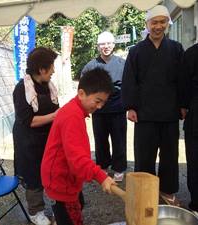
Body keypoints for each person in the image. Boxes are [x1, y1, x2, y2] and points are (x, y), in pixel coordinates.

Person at [121, 5, 185, 206]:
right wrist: (130, 107)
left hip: (169, 111)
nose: (158, 26)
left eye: (162, 22)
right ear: (147, 24)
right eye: (154, 22)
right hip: (144, 113)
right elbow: (129, 80)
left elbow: (182, 80)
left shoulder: (176, 48)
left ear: (168, 23)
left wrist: (183, 104)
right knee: (144, 154)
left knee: (169, 154)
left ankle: (167, 189)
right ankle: (144, 188)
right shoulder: (136, 51)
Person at [41, 67, 116, 225]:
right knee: (71, 217)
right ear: (81, 93)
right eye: (97, 101)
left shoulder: (74, 109)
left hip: (62, 177)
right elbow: (78, 160)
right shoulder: (72, 116)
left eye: (103, 102)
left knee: (77, 205)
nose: (100, 106)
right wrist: (101, 177)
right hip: (61, 182)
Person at [13, 47, 59, 225]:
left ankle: (57, 205)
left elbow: (56, 109)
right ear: (41, 69)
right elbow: (28, 121)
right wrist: (55, 116)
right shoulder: (22, 89)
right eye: (52, 66)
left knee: (51, 170)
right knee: (33, 174)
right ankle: (35, 211)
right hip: (28, 140)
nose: (54, 70)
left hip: (46, 137)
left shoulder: (48, 86)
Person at [81, 31, 127, 182]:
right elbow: (83, 88)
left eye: (108, 43)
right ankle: (102, 166)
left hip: (118, 108)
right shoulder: (91, 66)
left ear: (113, 45)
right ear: (98, 46)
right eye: (102, 44)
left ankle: (119, 167)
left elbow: (129, 85)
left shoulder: (122, 63)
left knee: (119, 139)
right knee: (100, 139)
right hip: (98, 110)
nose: (106, 47)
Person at [183, 43, 198, 214]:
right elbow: (184, 85)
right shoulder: (192, 53)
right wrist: (184, 106)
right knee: (194, 162)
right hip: (195, 116)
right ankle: (196, 203)